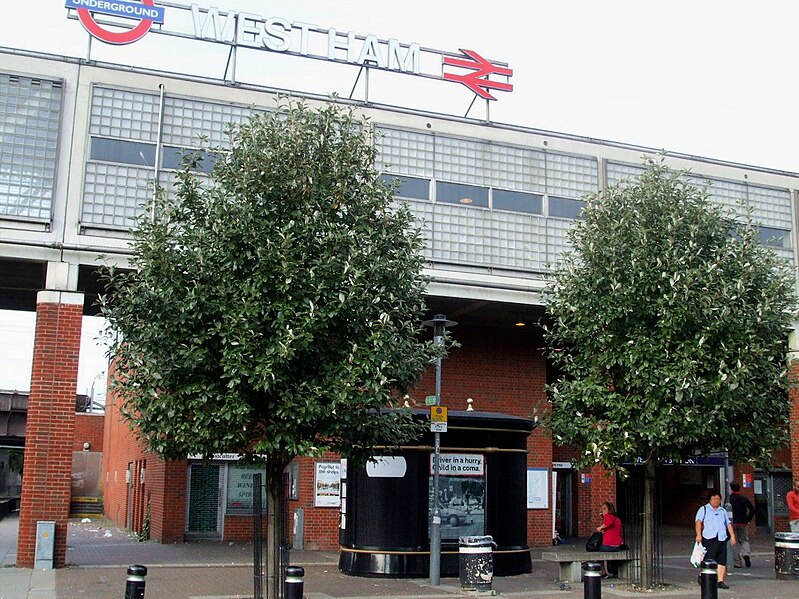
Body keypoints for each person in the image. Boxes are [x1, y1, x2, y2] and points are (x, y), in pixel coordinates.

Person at [696, 491, 737, 589]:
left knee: (721, 560)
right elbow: (698, 522)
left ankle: (720, 580)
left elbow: (728, 524)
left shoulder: (722, 511)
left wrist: (732, 536)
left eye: (718, 499)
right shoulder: (704, 509)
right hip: (709, 538)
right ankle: (702, 576)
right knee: (708, 558)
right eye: (714, 499)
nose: (716, 501)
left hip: (721, 538)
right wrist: (698, 535)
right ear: (710, 500)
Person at [729, 482, 755, 568]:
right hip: (743, 522)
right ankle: (746, 554)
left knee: (734, 542)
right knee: (744, 540)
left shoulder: (730, 499)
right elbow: (752, 509)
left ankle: (737, 562)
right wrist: (748, 518)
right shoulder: (744, 498)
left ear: (731, 488)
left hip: (732, 522)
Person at [596, 501, 623, 578]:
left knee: (597, 549)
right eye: (602, 509)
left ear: (609, 509)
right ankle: (614, 571)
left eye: (604, 509)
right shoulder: (617, 519)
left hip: (608, 545)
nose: (603, 511)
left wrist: (600, 527)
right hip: (617, 545)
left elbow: (609, 522)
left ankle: (603, 570)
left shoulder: (608, 517)